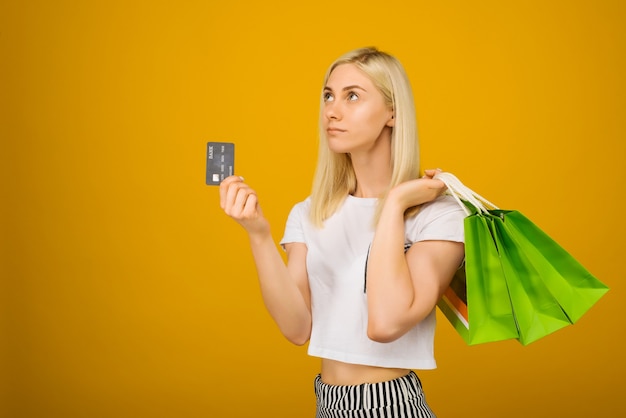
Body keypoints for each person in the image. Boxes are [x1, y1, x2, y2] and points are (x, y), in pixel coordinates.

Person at [219, 47, 466, 417]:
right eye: (328, 96)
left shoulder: (437, 216)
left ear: (392, 111)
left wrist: (395, 203)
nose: (332, 111)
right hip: (327, 404)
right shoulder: (310, 213)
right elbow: (298, 327)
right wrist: (258, 234)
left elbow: (385, 324)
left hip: (391, 406)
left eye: (353, 96)